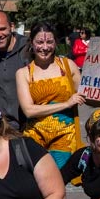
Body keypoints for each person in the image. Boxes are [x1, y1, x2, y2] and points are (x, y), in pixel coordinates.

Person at [16, 24, 84, 168]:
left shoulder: (68, 66)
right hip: (35, 138)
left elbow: (87, 95)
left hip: (65, 138)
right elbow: (29, 110)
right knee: (36, 182)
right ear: (32, 43)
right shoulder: (23, 73)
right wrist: (66, 104)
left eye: (49, 42)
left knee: (58, 181)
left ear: (56, 43)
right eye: (40, 42)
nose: (45, 47)